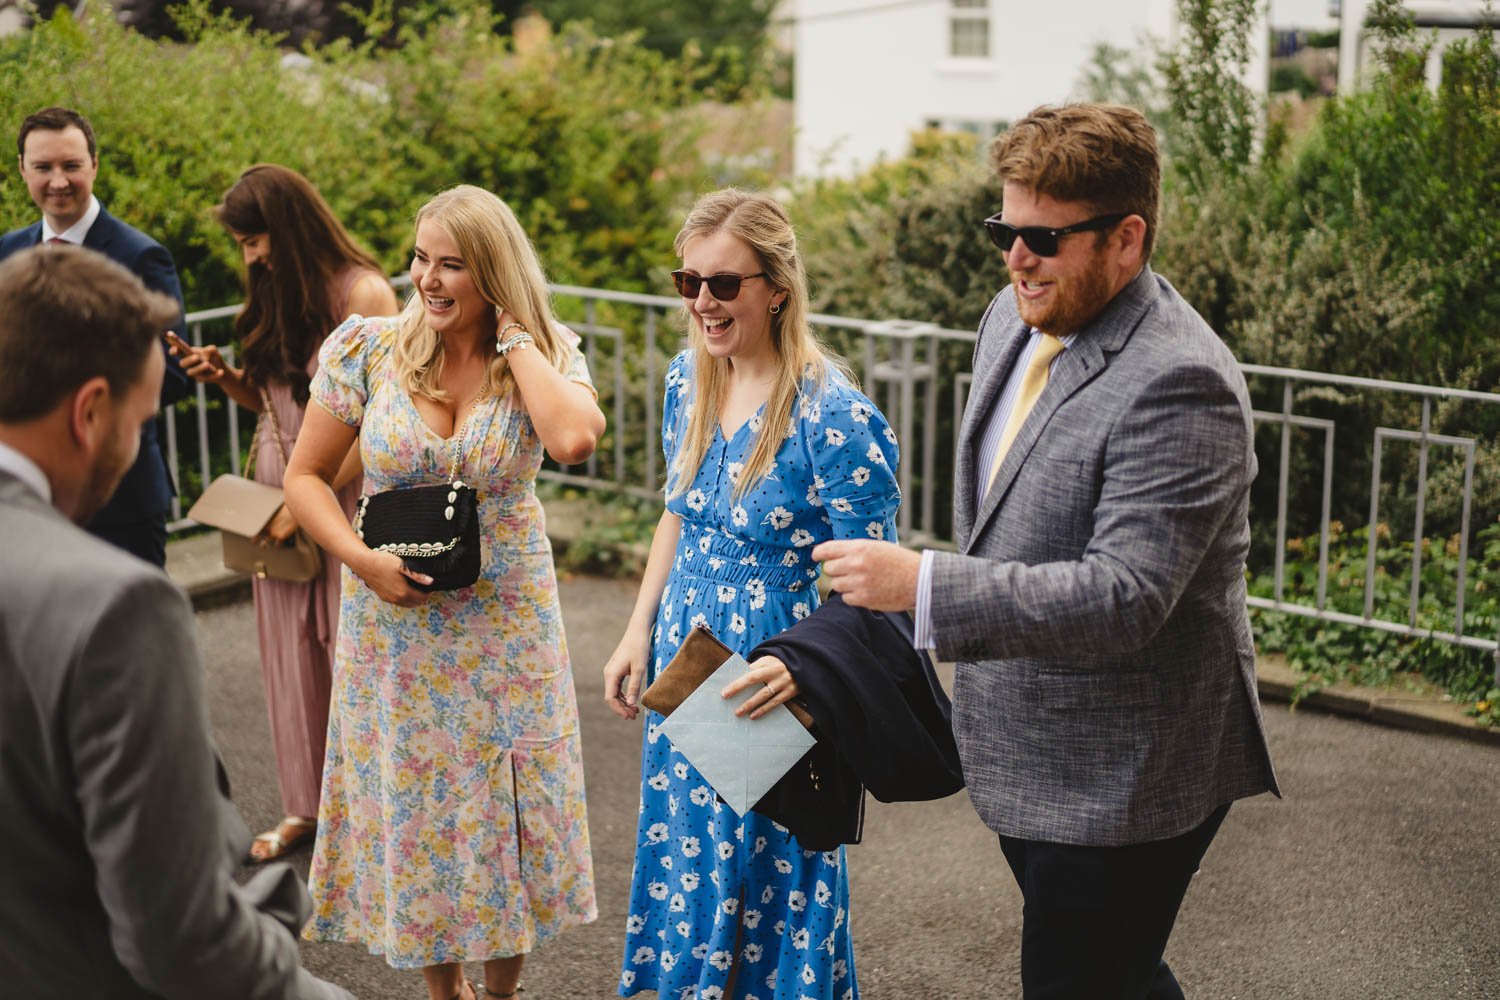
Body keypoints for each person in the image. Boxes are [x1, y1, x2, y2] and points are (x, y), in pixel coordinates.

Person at [815, 103, 1280, 999]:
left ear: (1127, 238)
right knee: (1121, 976)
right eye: (1005, 228)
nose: (1014, 257)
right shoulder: (1011, 314)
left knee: (1077, 979)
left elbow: (1127, 597)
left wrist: (926, 585)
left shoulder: (1182, 381)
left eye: (1043, 238)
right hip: (1029, 745)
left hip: (1129, 774)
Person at [0, 243, 353, 1000]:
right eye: (141, 420)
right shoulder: (113, 606)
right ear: (90, 411)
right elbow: (185, 941)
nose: (134, 448)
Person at [283, 184, 604, 1000]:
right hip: (397, 622)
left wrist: (517, 341)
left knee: (506, 801)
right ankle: (441, 991)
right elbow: (306, 478)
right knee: (418, 802)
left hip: (508, 623)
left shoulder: (547, 354)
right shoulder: (368, 348)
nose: (427, 279)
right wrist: (360, 560)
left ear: (492, 273)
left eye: (452, 264)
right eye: (421, 257)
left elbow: (571, 439)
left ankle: (498, 994)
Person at [603, 188, 902, 1000]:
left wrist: (809, 671)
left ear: (777, 286)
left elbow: (873, 582)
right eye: (688, 281)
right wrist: (637, 632)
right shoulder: (686, 380)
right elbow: (676, 513)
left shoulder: (831, 415)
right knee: (689, 859)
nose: (703, 301)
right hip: (686, 658)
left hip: (776, 671)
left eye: (724, 283)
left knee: (772, 865)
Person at [168, 163, 399, 863]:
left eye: (254, 240)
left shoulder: (363, 292)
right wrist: (231, 380)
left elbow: (383, 420)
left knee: (351, 650)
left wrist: (312, 498)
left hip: (343, 489)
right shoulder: (275, 289)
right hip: (278, 489)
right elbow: (277, 400)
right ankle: (307, 807)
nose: (249, 255)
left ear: (288, 228)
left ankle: (370, 807)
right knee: (288, 656)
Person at [0, 105, 191, 566]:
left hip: (121, 497)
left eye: (71, 165)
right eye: (43, 167)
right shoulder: (7, 252)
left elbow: (173, 374)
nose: (58, 180)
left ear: (94, 165)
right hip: (28, 498)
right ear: (23, 170)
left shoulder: (140, 255)